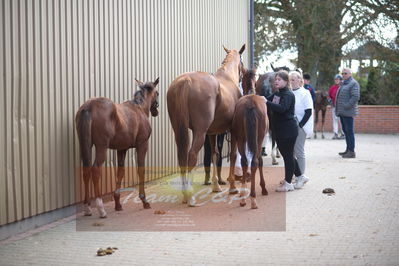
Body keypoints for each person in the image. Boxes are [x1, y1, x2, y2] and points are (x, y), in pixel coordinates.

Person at [265, 70, 303, 192]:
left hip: (288, 130)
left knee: (287, 157)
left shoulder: (288, 94)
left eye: (279, 79)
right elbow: (266, 100)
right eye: (275, 79)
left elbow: (282, 109)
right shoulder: (278, 93)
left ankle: (288, 184)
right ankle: (300, 176)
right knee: (289, 155)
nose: (276, 81)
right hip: (281, 130)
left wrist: (266, 102)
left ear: (286, 82)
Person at [289, 71, 313, 189]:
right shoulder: (288, 93)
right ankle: (293, 176)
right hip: (289, 126)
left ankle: (301, 177)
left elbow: (308, 111)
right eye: (289, 80)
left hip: (300, 126)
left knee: (299, 151)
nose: (291, 82)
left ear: (299, 80)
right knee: (290, 153)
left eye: (293, 80)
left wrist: (300, 125)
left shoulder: (305, 93)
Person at [335, 68, 360, 158]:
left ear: (350, 74)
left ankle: (352, 152)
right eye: (342, 73)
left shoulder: (353, 83)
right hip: (342, 112)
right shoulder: (344, 83)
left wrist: (346, 106)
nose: (343, 75)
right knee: (345, 131)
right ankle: (348, 149)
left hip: (348, 112)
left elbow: (355, 97)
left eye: (345, 73)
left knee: (349, 131)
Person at [328, 74, 345, 139]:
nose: (336, 81)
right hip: (334, 106)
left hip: (341, 107)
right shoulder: (332, 87)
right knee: (335, 120)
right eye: (335, 79)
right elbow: (329, 96)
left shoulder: (343, 87)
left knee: (341, 120)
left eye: (338, 79)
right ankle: (335, 133)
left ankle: (343, 133)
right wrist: (330, 101)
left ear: (341, 80)